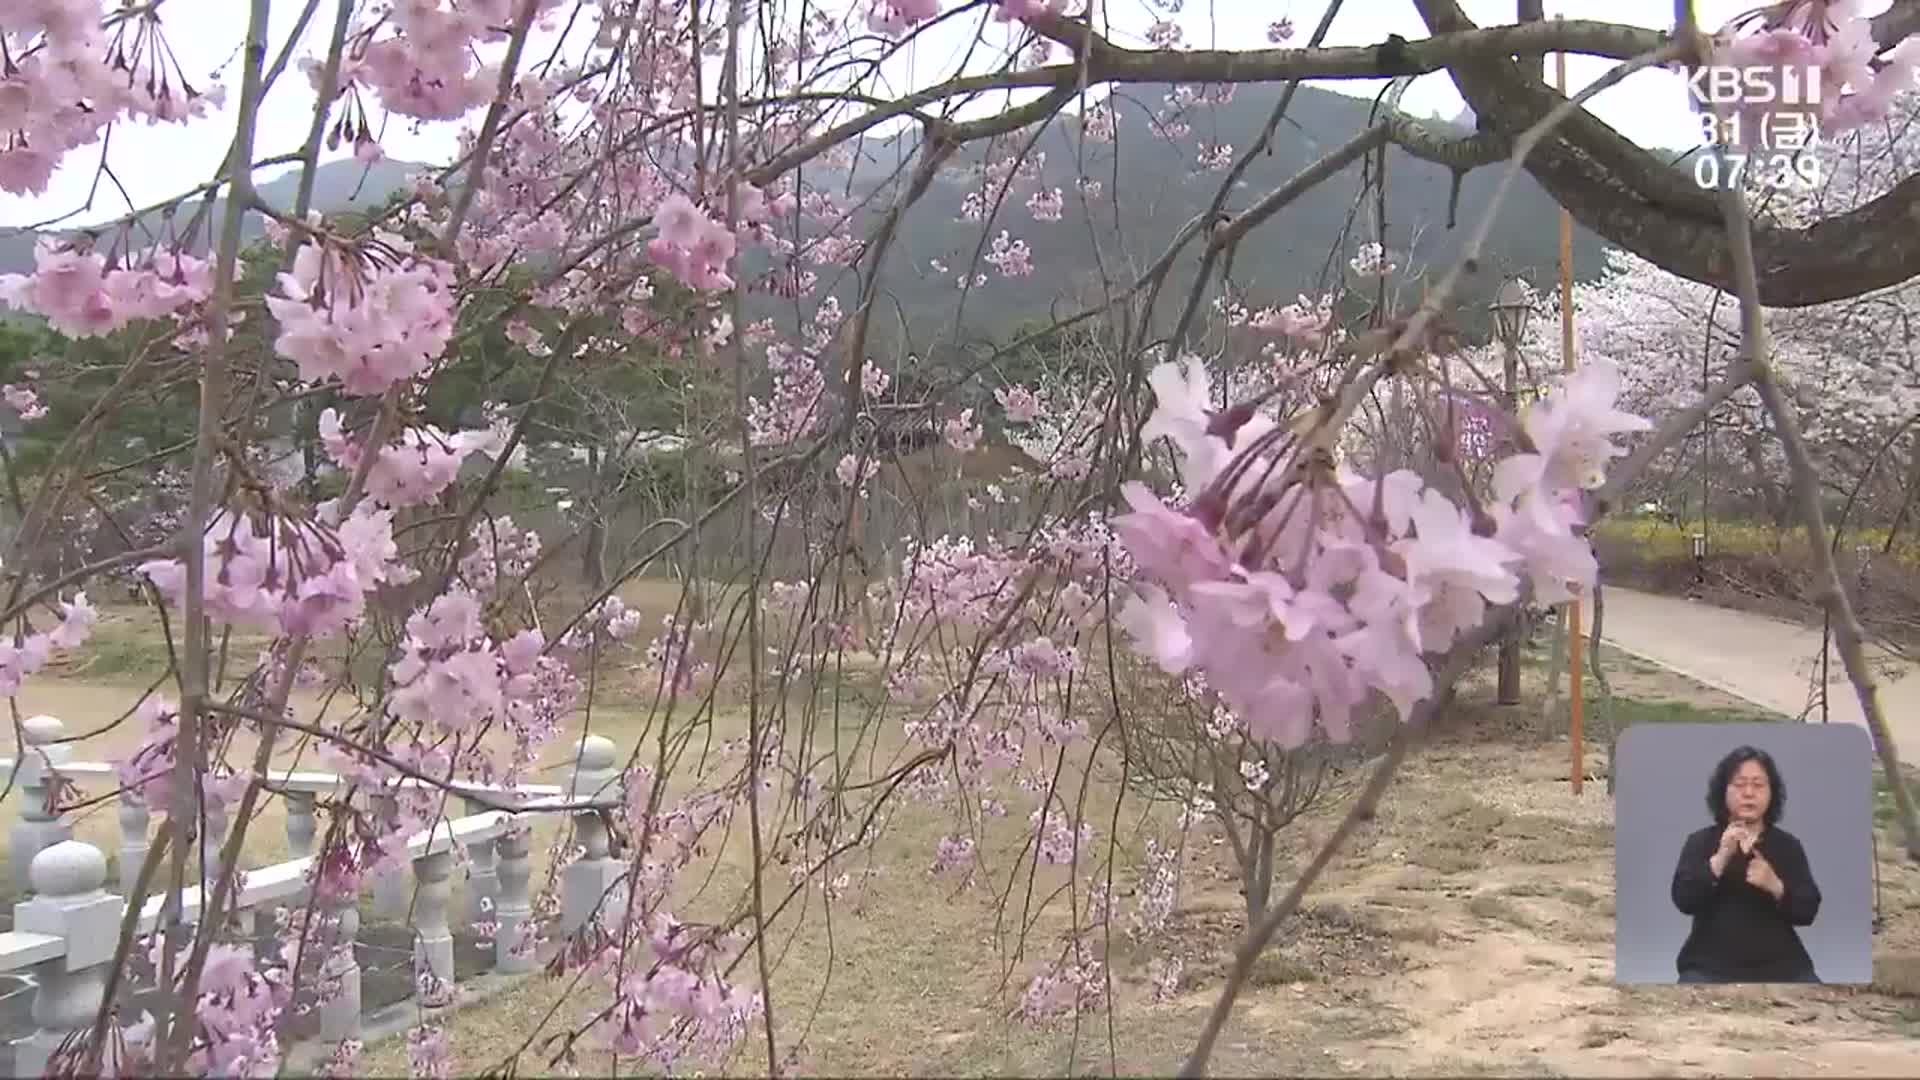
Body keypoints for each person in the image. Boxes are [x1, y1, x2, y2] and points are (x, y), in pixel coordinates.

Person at [1669, 745, 1822, 983]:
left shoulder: (1787, 845)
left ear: (1772, 794)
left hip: (1784, 967)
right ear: (1723, 792)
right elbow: (1683, 900)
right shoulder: (1701, 841)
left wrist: (1775, 886)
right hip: (1709, 967)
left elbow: (1808, 911)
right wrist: (1719, 860)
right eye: (1739, 785)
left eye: (1759, 785)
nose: (1749, 793)